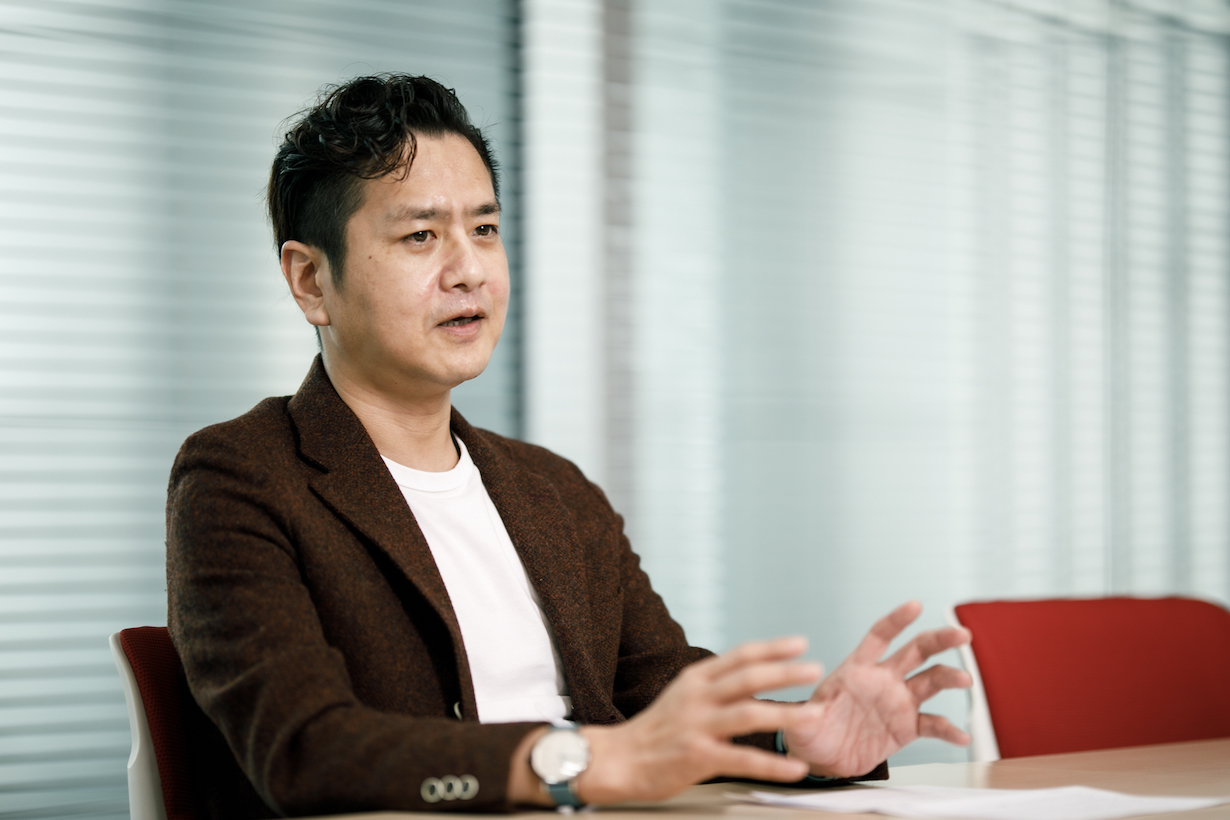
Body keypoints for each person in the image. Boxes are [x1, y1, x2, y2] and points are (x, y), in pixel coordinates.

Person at [166, 74, 972, 818]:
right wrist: (577, 763)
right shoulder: (241, 476)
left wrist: (798, 737)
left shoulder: (552, 487)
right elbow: (306, 751)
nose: (469, 270)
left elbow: (656, 691)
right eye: (420, 236)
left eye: (485, 229)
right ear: (311, 281)